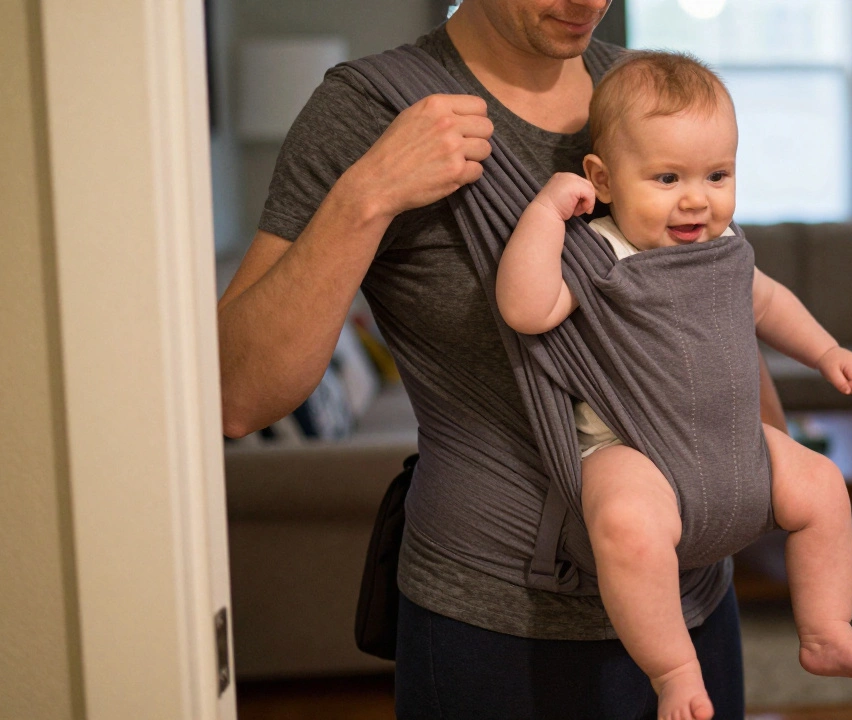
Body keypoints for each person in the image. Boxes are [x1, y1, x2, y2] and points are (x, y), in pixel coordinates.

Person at [217, 1, 787, 716]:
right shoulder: (370, 110)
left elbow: (711, 300)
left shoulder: (646, 92)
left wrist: (765, 480)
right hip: (495, 628)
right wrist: (369, 194)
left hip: (691, 601)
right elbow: (237, 395)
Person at [496, 52, 852, 720]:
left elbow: (769, 303)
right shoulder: (599, 253)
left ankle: (826, 630)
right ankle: (674, 669)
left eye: (717, 175)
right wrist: (546, 211)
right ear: (602, 179)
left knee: (822, 485)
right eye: (667, 178)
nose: (696, 198)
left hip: (733, 443)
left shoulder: (726, 248)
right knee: (626, 528)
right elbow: (526, 309)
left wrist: (825, 350)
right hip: (630, 450)